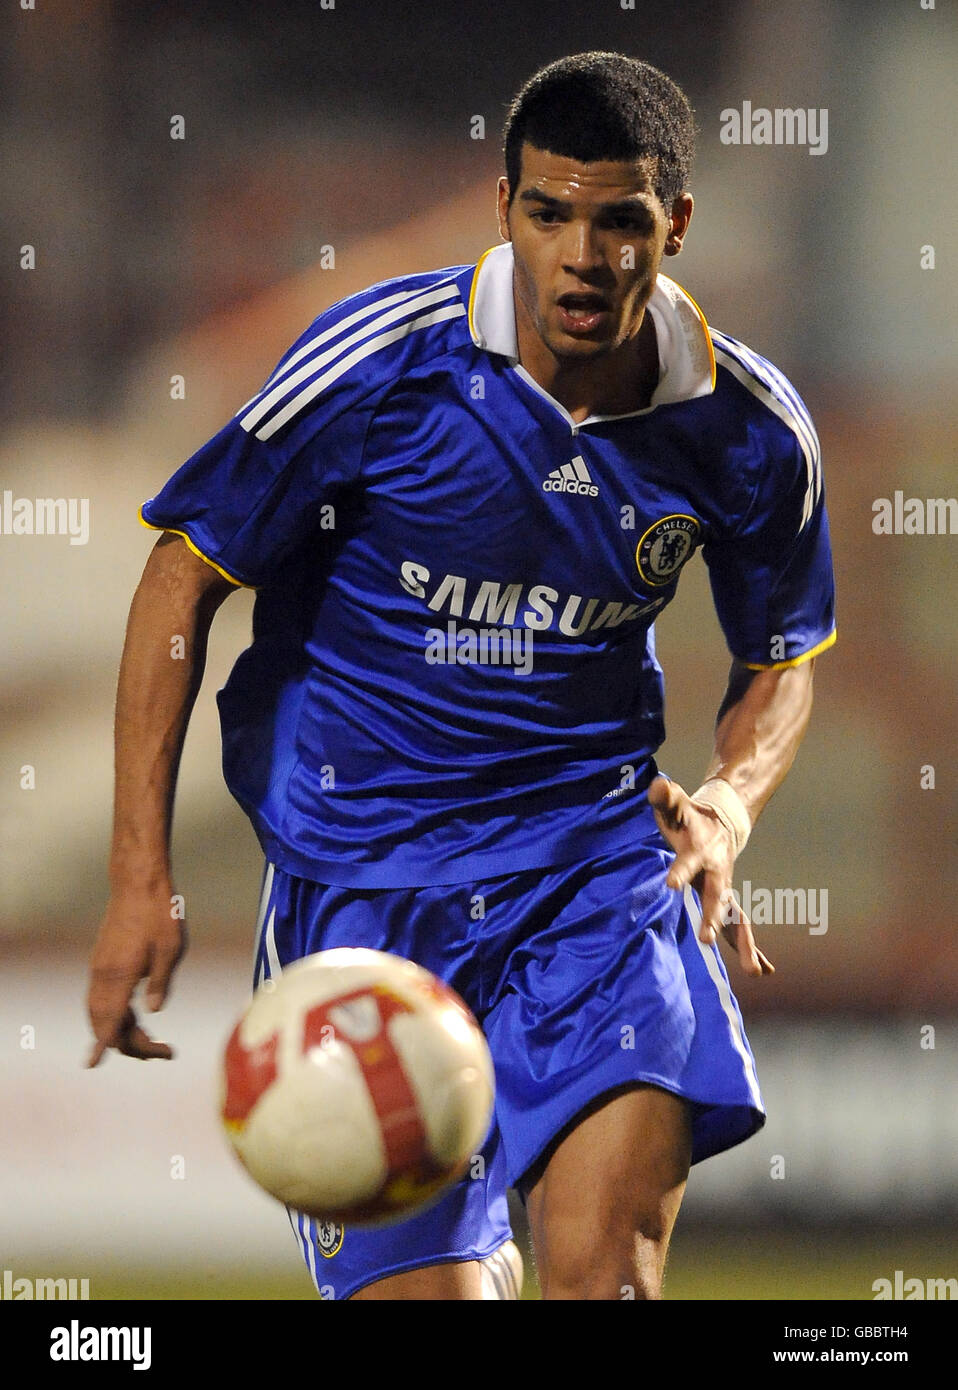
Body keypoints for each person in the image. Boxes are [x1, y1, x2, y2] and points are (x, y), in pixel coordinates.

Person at [86, 51, 835, 1301]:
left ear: (676, 227)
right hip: (363, 896)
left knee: (608, 1284)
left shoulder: (751, 432)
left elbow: (781, 662)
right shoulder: (384, 366)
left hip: (593, 880)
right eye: (549, 214)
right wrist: (139, 875)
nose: (583, 258)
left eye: (620, 222)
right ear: (505, 209)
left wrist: (728, 802)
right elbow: (181, 579)